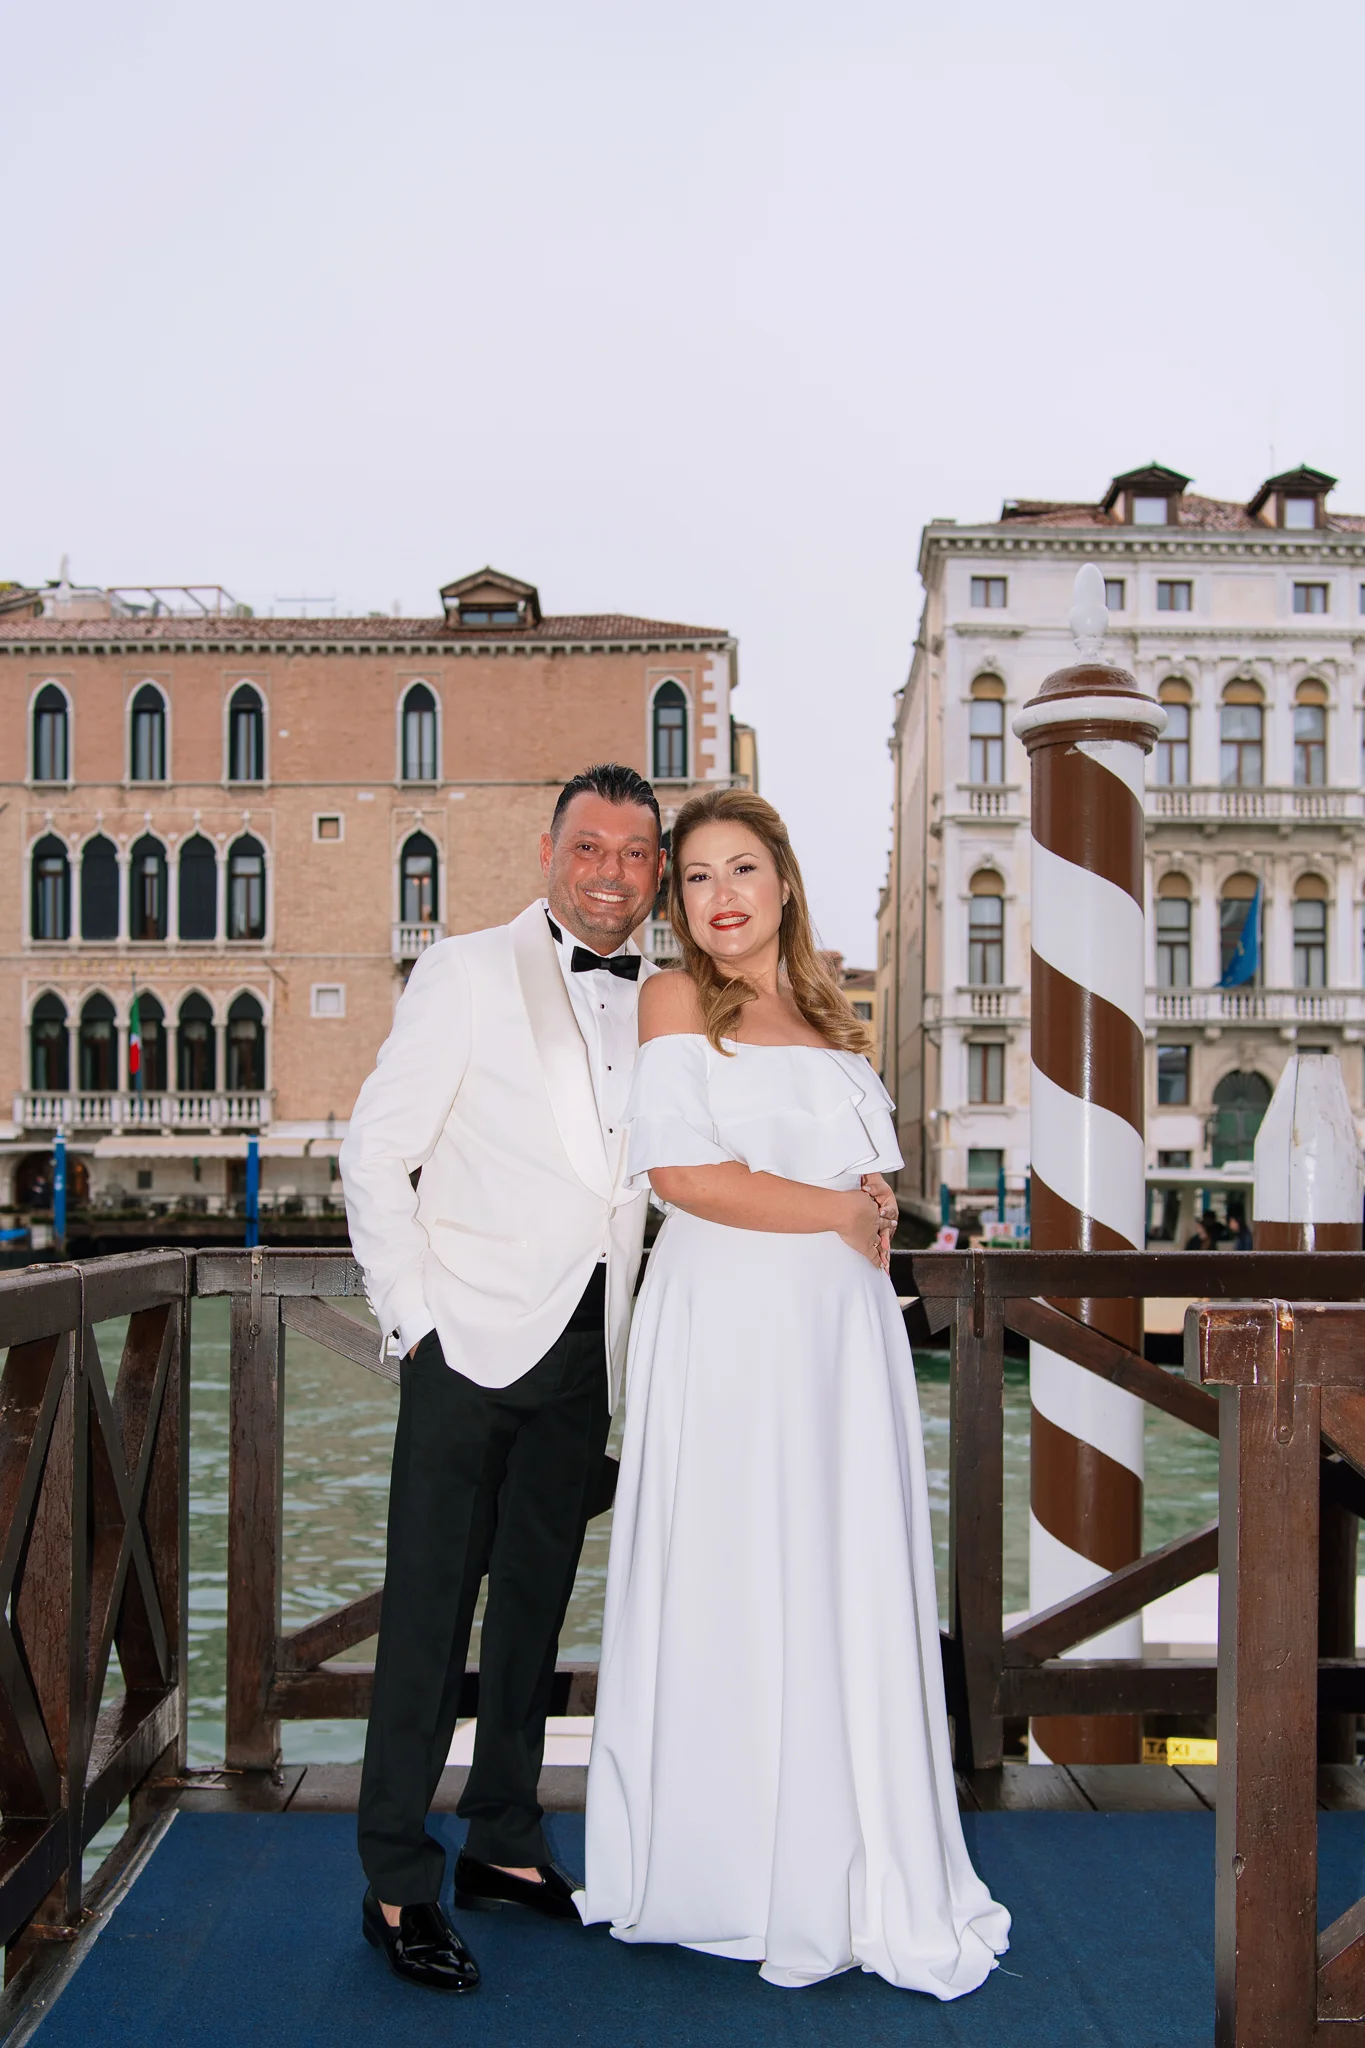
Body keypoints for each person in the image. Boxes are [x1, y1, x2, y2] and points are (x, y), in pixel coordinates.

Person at [578, 788, 1010, 1996]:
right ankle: (724, 1862)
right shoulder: (673, 998)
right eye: (699, 876)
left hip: (837, 1332)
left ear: (782, 884)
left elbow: (868, 1170)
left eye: (743, 870)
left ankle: (844, 1848)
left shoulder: (831, 1012)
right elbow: (685, 1175)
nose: (720, 895)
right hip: (729, 1327)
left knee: (833, 1569)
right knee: (733, 1568)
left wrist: (859, 1202)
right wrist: (843, 1208)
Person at [339, 763, 667, 1993]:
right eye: (591, 847)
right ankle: (393, 1878)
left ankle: (507, 1837)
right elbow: (377, 1154)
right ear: (549, 852)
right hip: (464, 1345)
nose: (611, 873)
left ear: (653, 872)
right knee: (427, 1619)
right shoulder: (466, 969)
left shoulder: (668, 1003)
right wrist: (414, 1321)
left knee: (534, 1609)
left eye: (636, 854)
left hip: (593, 1351)